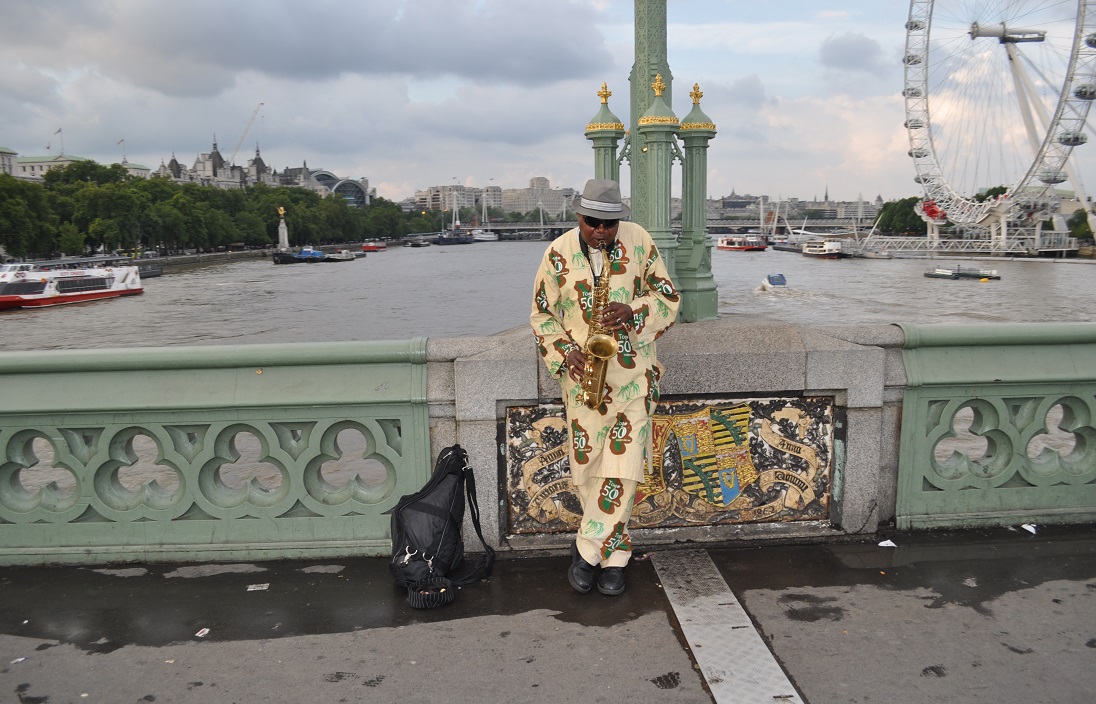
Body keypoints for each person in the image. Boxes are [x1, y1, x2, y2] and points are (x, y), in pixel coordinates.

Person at [529, 178, 680, 596]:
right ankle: (613, 550)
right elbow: (542, 316)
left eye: (609, 224)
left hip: (634, 377)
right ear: (578, 216)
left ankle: (594, 554)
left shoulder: (641, 241)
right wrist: (564, 353)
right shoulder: (557, 253)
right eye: (593, 222)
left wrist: (633, 311)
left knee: (625, 469)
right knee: (589, 469)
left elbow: (669, 299)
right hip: (584, 381)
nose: (601, 231)